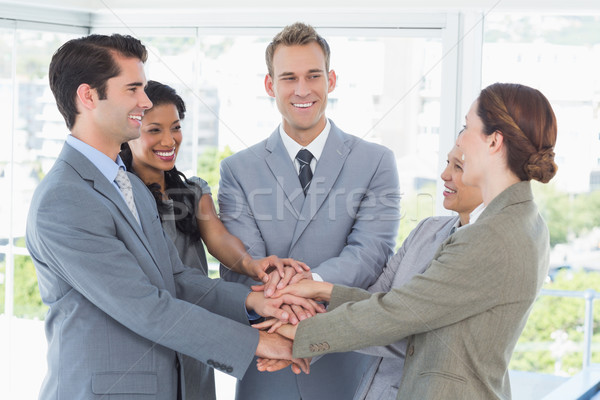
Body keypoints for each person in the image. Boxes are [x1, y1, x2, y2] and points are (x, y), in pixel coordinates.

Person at [25, 33, 317, 400]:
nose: (144, 101)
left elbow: (175, 278)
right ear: (88, 96)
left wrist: (255, 303)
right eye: (133, 89)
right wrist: (262, 342)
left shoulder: (125, 184)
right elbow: (144, 306)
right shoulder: (65, 199)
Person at [265, 82, 558, 399]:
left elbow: (399, 314)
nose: (460, 139)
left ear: (494, 142)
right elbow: (406, 306)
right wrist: (323, 290)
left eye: (466, 126)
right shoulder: (522, 220)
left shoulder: (492, 235)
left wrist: (294, 334)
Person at [218, 22, 401, 400]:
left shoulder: (376, 162)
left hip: (347, 360)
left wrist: (310, 284)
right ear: (271, 86)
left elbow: (371, 253)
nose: (302, 90)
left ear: (331, 80)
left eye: (313, 75)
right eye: (289, 78)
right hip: (270, 364)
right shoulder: (237, 169)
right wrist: (289, 313)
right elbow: (243, 265)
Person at [120, 80, 311, 399]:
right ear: (129, 131)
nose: (170, 140)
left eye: (176, 127)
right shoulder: (121, 197)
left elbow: (219, 238)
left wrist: (252, 265)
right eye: (155, 130)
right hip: (148, 334)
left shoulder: (192, 192)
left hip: (200, 334)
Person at [350, 144, 483, 400]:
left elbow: (413, 337)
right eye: (447, 163)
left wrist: (302, 333)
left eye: (458, 167)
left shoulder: (485, 250)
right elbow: (373, 298)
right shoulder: (427, 229)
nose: (445, 174)